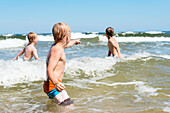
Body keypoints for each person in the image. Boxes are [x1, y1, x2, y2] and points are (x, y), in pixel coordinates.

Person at [43, 23, 81, 106]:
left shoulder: (58, 46)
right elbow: (50, 69)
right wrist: (56, 83)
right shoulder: (57, 50)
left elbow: (68, 44)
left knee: (65, 104)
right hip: (53, 85)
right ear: (67, 36)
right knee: (68, 106)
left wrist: (74, 41)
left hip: (54, 84)